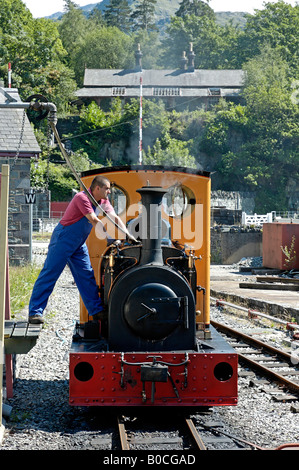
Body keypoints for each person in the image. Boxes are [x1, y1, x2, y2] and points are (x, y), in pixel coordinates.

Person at [28, 175, 133, 324]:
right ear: (98, 188)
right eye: (107, 189)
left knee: (86, 275)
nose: (109, 192)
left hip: (78, 243)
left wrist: (129, 235)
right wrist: (108, 238)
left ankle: (96, 311)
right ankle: (34, 312)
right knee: (50, 273)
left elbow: (114, 217)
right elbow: (93, 220)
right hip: (63, 238)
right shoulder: (81, 198)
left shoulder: (103, 200)